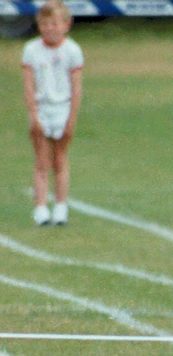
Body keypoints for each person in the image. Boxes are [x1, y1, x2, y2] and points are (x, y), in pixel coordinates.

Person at [22, 0, 83, 226]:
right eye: (45, 24)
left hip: (63, 109)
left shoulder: (73, 51)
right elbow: (29, 86)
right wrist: (34, 115)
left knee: (60, 159)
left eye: (55, 24)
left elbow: (76, 88)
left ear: (66, 24)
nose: (50, 29)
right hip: (41, 108)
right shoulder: (31, 50)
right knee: (41, 160)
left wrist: (71, 119)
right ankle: (40, 208)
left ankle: (60, 206)